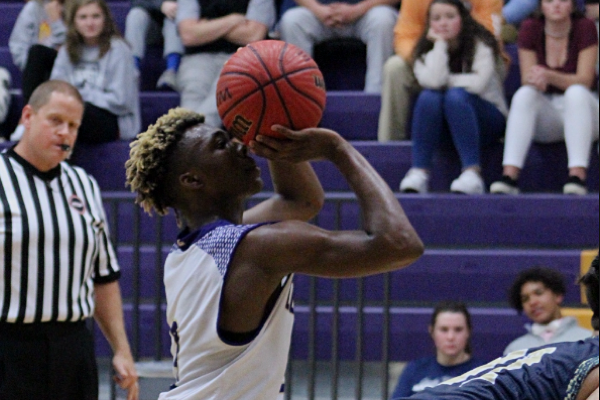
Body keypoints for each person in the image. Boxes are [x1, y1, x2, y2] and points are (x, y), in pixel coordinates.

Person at [124, 107, 424, 399]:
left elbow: (301, 201)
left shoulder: (189, 252)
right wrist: (337, 148)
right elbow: (399, 243)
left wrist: (273, 125)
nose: (240, 146)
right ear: (193, 180)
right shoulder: (254, 249)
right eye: (221, 145)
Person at [0, 80, 138, 399]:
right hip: (9, 348)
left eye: (74, 125)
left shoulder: (84, 185)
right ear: (27, 116)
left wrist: (121, 349)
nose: (65, 133)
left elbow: (104, 277)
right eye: (56, 121)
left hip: (73, 349)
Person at [391, 255, 599, 400]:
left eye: (539, 293)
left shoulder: (578, 348)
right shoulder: (519, 347)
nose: (534, 302)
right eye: (526, 298)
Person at [490, 0, 599, 195]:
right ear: (540, 5)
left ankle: (577, 176)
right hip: (548, 114)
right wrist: (537, 80)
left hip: (585, 114)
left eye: (562, 0)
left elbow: (585, 80)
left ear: (573, 4)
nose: (556, 5)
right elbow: (528, 77)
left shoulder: (585, 27)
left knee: (576, 93)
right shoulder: (531, 27)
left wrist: (549, 76)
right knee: (525, 94)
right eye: (549, 0)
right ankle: (509, 176)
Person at [398, 0, 507, 194]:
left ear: (463, 19)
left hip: (487, 118)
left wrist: (446, 82)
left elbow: (479, 83)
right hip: (448, 124)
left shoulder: (481, 42)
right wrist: (439, 45)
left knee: (455, 97)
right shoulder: (424, 49)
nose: (443, 23)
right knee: (428, 97)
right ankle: (419, 172)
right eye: (437, 18)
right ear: (429, 24)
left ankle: (472, 173)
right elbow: (432, 82)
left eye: (450, 17)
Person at [377, 0, 503, 142]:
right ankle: (390, 145)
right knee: (394, 67)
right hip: (430, 55)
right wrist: (424, 59)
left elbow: (489, 33)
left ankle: (499, 130)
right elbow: (405, 37)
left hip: (471, 55)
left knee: (491, 56)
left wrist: (444, 77)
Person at [51, 0, 141, 143]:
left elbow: (121, 101)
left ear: (105, 19)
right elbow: (57, 90)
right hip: (75, 113)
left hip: (113, 120)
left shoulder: (119, 50)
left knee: (76, 114)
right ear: (73, 21)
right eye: (83, 17)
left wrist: (81, 97)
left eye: (96, 16)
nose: (90, 23)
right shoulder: (67, 50)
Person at [175, 0, 276, 127]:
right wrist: (234, 20)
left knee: (221, 97)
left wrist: (206, 26)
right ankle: (193, 137)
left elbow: (253, 35)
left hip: (242, 56)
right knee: (194, 90)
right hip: (198, 57)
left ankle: (192, 136)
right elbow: (188, 35)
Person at [279, 0, 400, 94]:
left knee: (383, 20)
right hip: (320, 13)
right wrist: (318, 10)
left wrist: (358, 9)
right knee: (292, 21)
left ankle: (375, 98)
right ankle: (302, 97)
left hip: (367, 11)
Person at [391, 301, 485, 398]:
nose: (450, 337)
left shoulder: (484, 373)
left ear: (468, 332)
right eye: (444, 329)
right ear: (432, 331)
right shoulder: (414, 370)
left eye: (458, 329)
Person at [8, 0, 67, 141]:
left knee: (39, 53)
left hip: (71, 68)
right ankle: (28, 118)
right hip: (39, 71)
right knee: (37, 53)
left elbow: (76, 47)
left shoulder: (81, 7)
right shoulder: (34, 7)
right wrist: (31, 68)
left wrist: (56, 21)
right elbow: (18, 46)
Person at [503, 266, 592, 355]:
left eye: (539, 293)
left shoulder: (588, 340)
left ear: (557, 295)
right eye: (525, 299)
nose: (532, 302)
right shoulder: (514, 349)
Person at [124, 0, 184, 90]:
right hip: (151, 27)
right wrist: (161, 5)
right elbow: (136, 2)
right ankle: (132, 72)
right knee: (136, 14)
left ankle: (172, 72)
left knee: (174, 16)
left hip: (179, 25)